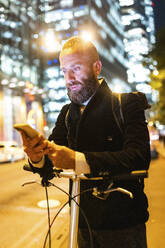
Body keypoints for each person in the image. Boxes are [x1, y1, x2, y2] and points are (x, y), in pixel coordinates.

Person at [21, 36, 151, 248]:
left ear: (96, 67)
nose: (69, 78)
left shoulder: (126, 103)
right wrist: (37, 157)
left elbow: (139, 157)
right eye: (64, 71)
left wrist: (77, 160)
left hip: (124, 223)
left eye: (76, 68)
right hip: (81, 222)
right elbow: (51, 160)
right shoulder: (66, 114)